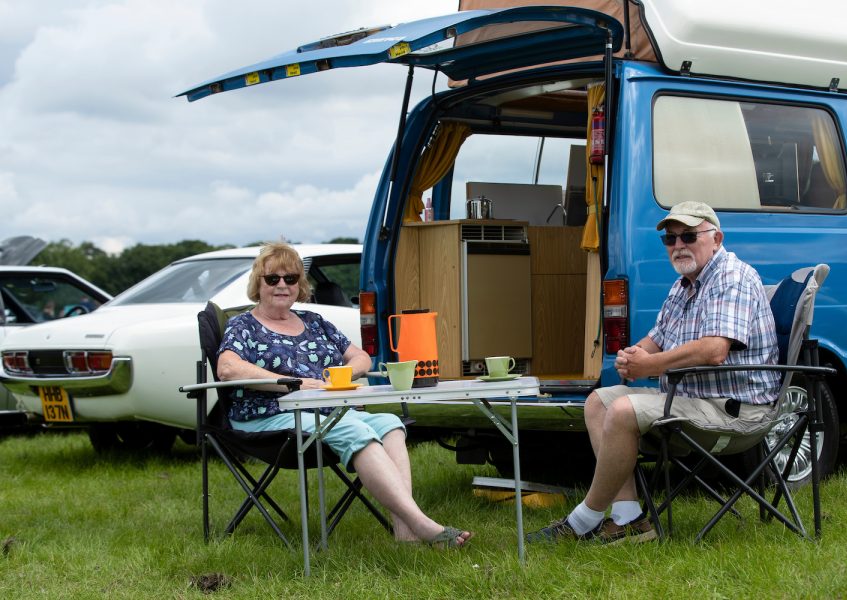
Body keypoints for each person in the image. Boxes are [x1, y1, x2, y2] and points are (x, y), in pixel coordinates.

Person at [527, 201, 780, 545]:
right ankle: (628, 518)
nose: (678, 246)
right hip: (693, 399)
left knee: (622, 410)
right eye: (670, 239)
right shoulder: (684, 285)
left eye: (689, 236)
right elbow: (656, 339)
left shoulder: (732, 276)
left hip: (734, 409)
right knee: (598, 402)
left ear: (716, 238)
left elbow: (715, 350)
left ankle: (583, 518)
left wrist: (651, 366)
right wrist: (635, 355)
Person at [217, 242, 472, 548]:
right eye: (273, 279)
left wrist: (339, 376)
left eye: (291, 278)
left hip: (325, 413)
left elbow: (362, 357)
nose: (282, 285)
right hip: (269, 420)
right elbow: (228, 369)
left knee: (390, 424)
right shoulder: (243, 325)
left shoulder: (314, 322)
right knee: (353, 429)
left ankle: (404, 531)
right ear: (258, 283)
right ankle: (422, 524)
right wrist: (293, 382)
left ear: (301, 284)